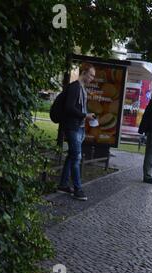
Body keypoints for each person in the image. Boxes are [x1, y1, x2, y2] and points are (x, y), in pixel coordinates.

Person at [57, 63, 96, 200]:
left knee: (71, 156)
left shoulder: (82, 88)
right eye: (91, 75)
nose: (92, 78)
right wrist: (85, 115)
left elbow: (78, 108)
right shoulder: (75, 87)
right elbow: (69, 108)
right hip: (72, 127)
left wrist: (86, 115)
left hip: (78, 127)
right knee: (76, 158)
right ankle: (78, 189)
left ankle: (63, 184)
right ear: (84, 72)